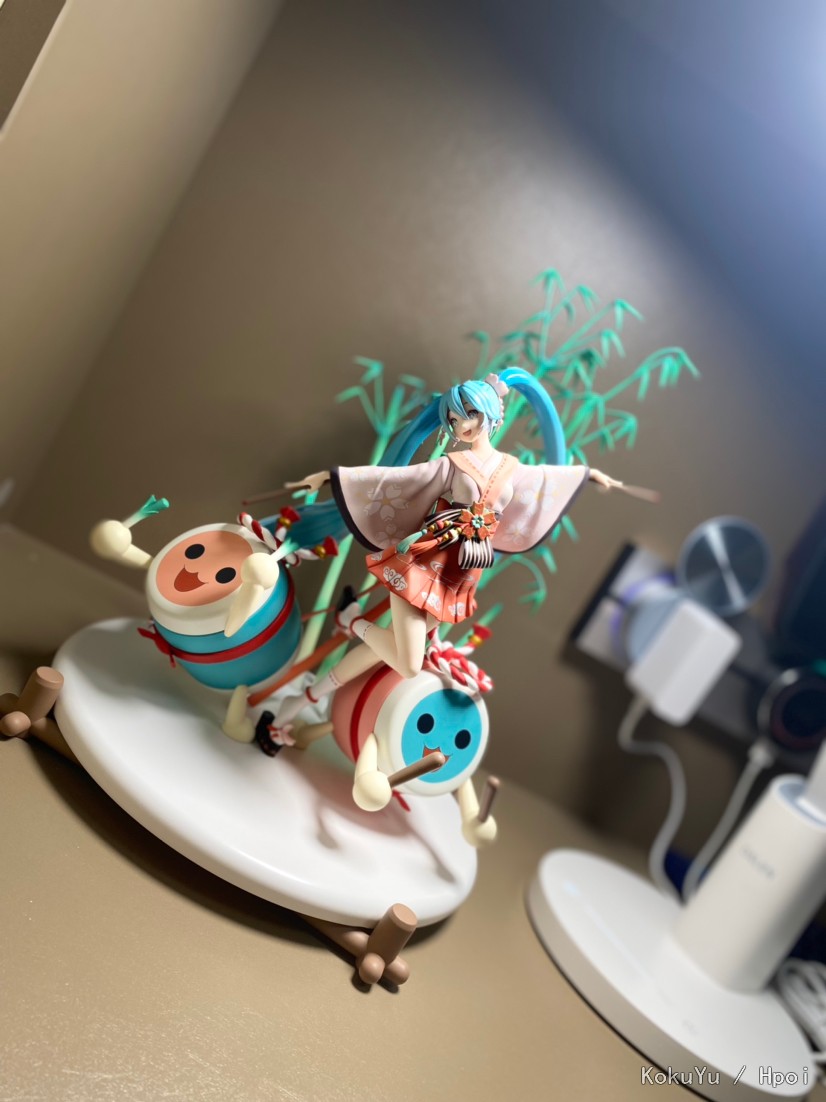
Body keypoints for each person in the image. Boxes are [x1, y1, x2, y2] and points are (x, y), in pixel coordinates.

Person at [273, 366, 624, 733]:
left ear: (490, 412)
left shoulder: (512, 469)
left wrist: (588, 475)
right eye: (454, 420)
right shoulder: (451, 465)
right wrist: (332, 478)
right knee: (409, 663)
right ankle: (352, 622)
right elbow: (396, 480)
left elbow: (547, 479)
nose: (462, 425)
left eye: (469, 413)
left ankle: (302, 699)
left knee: (391, 647)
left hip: (461, 573)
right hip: (424, 562)